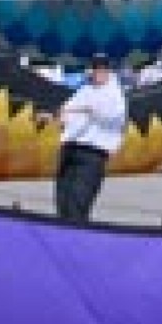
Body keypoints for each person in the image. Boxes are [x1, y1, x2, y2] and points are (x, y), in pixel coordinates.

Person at [53, 62, 124, 224]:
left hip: (91, 154)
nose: (98, 72)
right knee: (63, 201)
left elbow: (104, 112)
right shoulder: (84, 90)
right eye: (95, 68)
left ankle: (77, 239)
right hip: (70, 149)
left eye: (102, 69)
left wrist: (76, 110)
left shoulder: (114, 93)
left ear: (109, 71)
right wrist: (55, 117)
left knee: (78, 203)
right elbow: (66, 113)